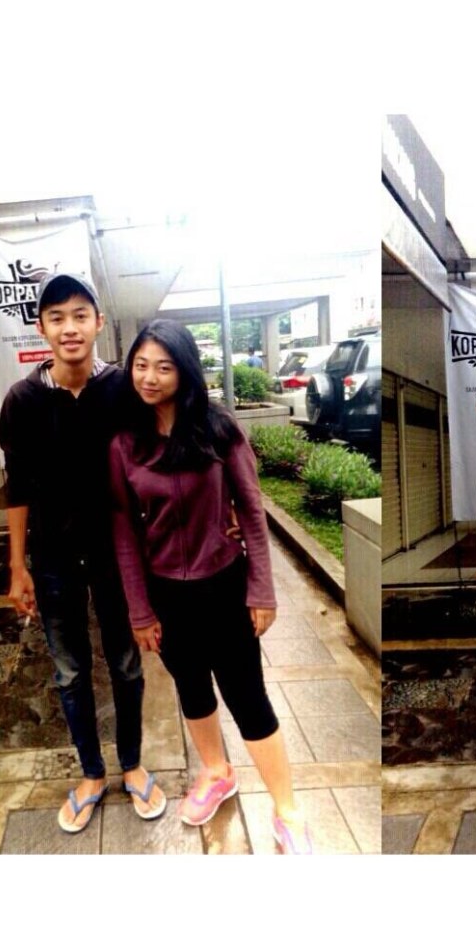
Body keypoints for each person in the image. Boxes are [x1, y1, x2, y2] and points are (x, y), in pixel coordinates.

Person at [108, 319, 311, 854]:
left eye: (163, 367)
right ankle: (217, 772)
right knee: (192, 687)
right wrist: (139, 610)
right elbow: (124, 532)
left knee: (248, 696)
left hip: (224, 587)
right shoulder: (125, 443)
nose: (149, 377)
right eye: (140, 366)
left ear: (185, 371)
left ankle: (288, 809)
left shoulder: (219, 429)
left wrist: (261, 590)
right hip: (166, 595)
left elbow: (251, 510)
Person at [0, 273, 165, 833]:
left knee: (126, 663)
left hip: (120, 556)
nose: (69, 328)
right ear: (42, 328)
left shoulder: (121, 389)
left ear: (97, 322)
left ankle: (132, 764)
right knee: (69, 671)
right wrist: (17, 566)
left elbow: (156, 457)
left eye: (79, 315)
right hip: (53, 559)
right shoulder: (22, 401)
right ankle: (92, 773)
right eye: (56, 317)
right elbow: (17, 488)